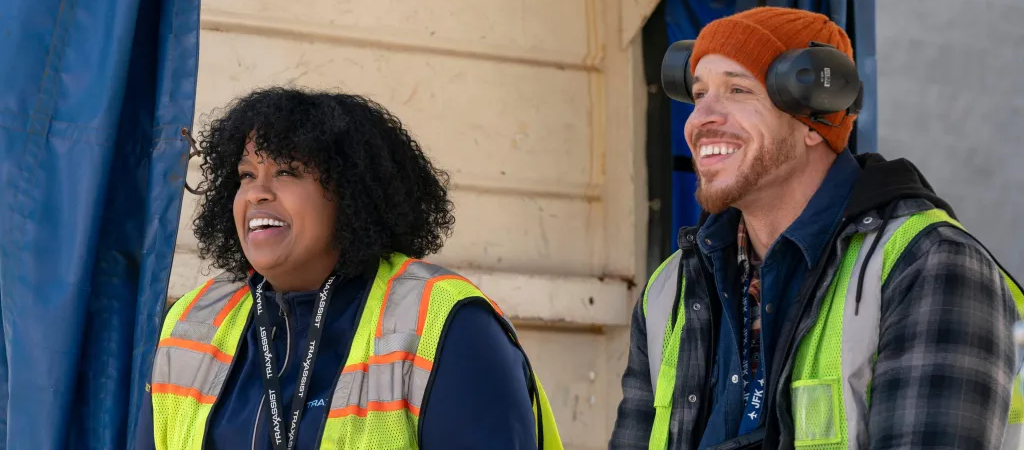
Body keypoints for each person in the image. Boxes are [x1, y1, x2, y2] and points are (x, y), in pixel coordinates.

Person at [610, 6, 1024, 450]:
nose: (700, 119)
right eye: (699, 93)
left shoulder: (930, 267)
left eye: (736, 89)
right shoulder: (671, 289)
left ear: (813, 121)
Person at [135, 87, 563, 450]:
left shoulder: (445, 321)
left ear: (353, 194)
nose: (257, 194)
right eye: (246, 175)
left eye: (286, 171)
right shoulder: (193, 320)